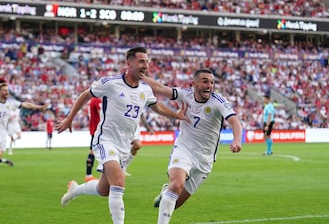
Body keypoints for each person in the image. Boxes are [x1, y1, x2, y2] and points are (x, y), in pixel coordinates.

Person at [56, 46, 189, 224]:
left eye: (147, 62)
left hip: (124, 145)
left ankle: (75, 190)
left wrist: (176, 115)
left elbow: (157, 107)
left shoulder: (145, 90)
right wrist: (69, 118)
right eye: (141, 61)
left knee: (104, 189)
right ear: (129, 63)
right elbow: (85, 95)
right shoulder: (110, 84)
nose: (146, 66)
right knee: (118, 183)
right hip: (105, 141)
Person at [140, 69, 242, 224]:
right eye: (205, 81)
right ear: (194, 83)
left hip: (204, 160)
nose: (209, 85)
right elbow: (160, 89)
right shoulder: (185, 95)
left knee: (172, 204)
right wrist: (141, 76)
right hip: (184, 149)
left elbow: (234, 121)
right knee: (176, 185)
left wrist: (237, 140)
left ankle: (165, 192)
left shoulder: (218, 101)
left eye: (212, 82)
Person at [84, 97, 101, 182]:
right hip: (99, 130)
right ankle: (89, 174)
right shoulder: (96, 100)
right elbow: (101, 114)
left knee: (92, 151)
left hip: (94, 129)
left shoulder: (91, 101)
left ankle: (88, 174)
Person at [262, 91, 275, 156]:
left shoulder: (269, 106)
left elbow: (269, 115)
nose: (263, 100)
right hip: (268, 122)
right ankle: (269, 150)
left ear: (267, 99)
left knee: (266, 136)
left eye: (264, 99)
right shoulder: (268, 105)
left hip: (268, 122)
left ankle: (269, 151)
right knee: (266, 136)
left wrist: (267, 125)